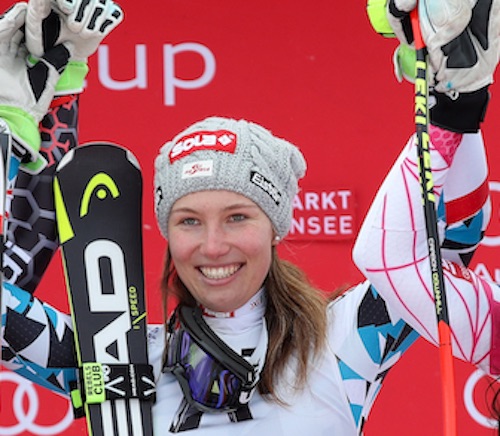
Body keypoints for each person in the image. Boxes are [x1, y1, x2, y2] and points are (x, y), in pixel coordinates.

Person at [1, 1, 500, 435]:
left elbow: (448, 245)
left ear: (276, 226)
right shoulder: (116, 358)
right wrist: (14, 127)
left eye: (238, 217)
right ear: (167, 233)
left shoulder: (345, 340)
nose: (213, 246)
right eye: (189, 221)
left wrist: (457, 108)